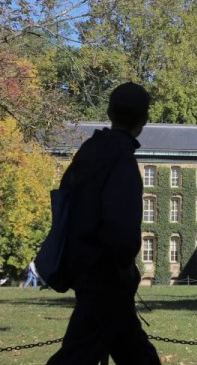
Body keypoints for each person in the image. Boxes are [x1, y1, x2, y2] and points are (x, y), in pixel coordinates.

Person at [47, 82, 160, 365]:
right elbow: (120, 230)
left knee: (133, 354)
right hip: (106, 279)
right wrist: (124, 269)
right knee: (78, 356)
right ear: (144, 119)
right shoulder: (121, 160)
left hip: (88, 271)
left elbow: (64, 205)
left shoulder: (89, 152)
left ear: (109, 111)